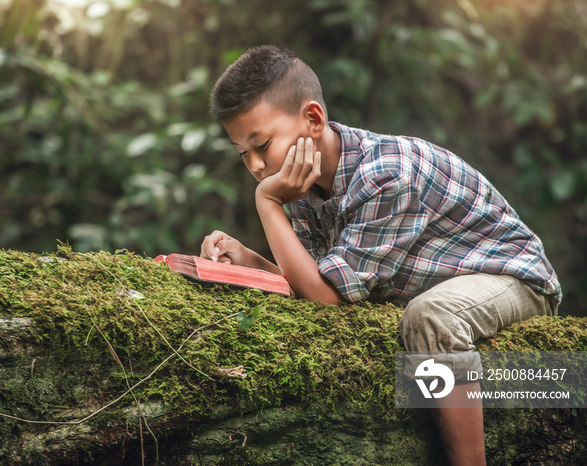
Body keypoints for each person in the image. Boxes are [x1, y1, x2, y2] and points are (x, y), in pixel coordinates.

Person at [200, 45, 561, 465]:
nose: (257, 166)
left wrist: (266, 204)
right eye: (244, 153)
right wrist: (249, 261)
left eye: (262, 144)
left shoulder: (386, 174)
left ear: (313, 120)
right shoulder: (301, 185)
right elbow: (315, 283)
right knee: (424, 314)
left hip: (514, 279)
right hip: (447, 287)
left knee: (430, 317)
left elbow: (326, 299)